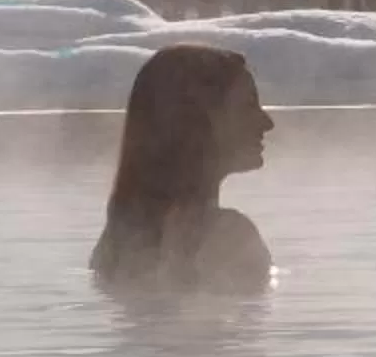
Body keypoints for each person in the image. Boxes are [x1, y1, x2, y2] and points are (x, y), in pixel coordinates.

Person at [91, 44, 276, 293]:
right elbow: (252, 321)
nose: (267, 123)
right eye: (247, 107)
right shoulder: (229, 237)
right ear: (196, 123)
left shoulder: (118, 241)